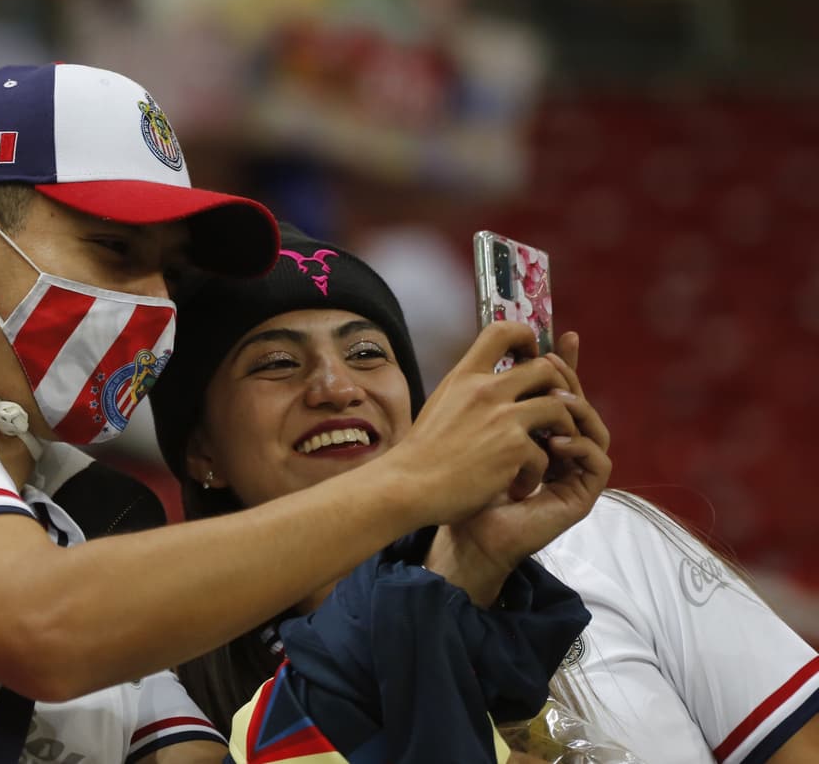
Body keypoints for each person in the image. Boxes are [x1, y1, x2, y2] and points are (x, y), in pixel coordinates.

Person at [0, 62, 587, 763]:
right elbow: (41, 629)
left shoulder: (73, 531)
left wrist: (458, 566)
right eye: (114, 252)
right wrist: (413, 476)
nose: (152, 304)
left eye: (166, 273)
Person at [148, 226, 819, 764]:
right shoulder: (168, 698)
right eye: (277, 363)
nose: (337, 387)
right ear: (202, 450)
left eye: (367, 353)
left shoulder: (600, 538)